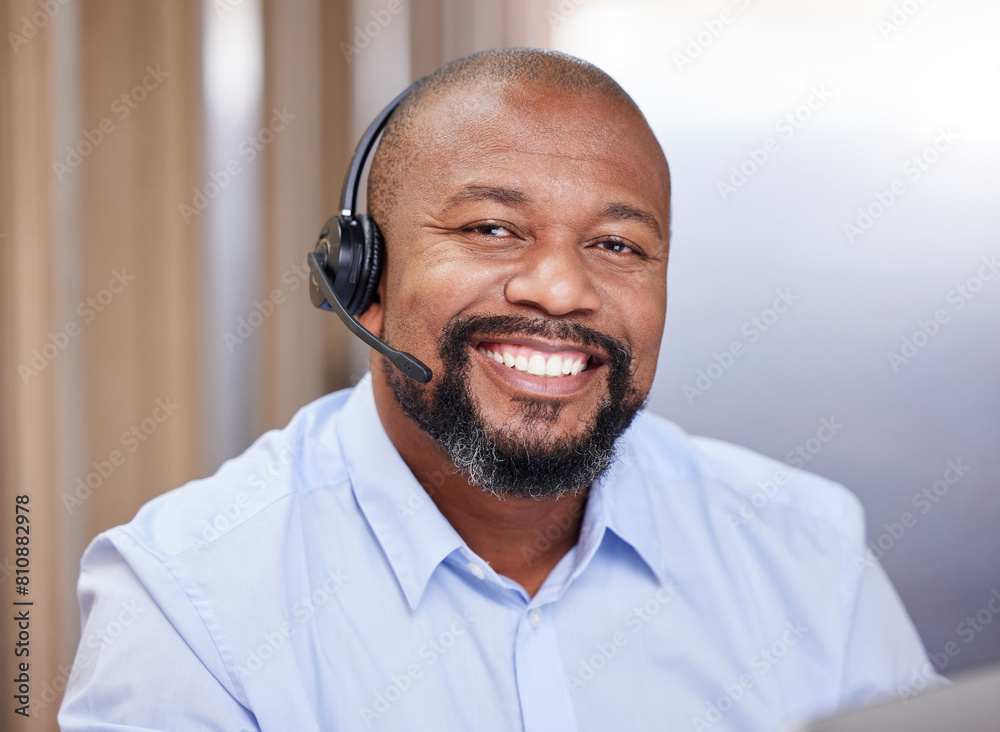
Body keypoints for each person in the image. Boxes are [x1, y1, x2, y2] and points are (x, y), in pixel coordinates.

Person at [59, 48, 940, 731]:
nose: (560, 290)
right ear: (360, 272)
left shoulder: (807, 552)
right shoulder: (186, 600)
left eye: (617, 245)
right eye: (491, 228)